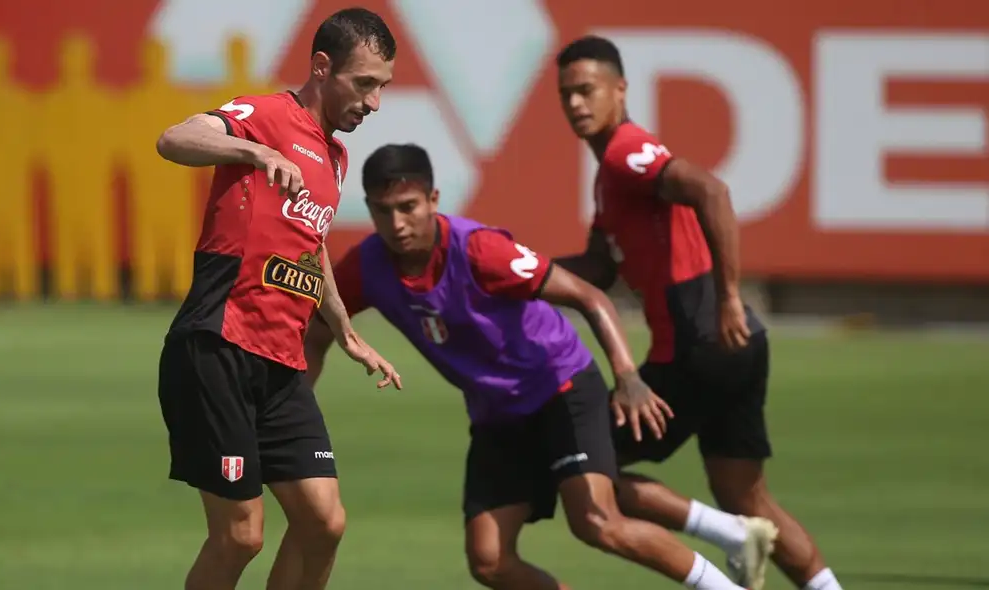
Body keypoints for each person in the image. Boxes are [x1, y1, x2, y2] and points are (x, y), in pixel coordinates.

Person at [304, 143, 774, 590]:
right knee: (489, 560)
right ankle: (730, 533)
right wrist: (299, 401)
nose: (397, 223)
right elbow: (321, 324)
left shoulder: (480, 250)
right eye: (382, 211)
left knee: (597, 521)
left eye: (408, 206)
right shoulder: (366, 265)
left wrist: (627, 376)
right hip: (498, 415)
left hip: (561, 387)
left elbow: (589, 297)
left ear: (433, 199)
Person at [552, 35, 844, 590]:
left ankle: (726, 545)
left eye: (587, 90)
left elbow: (711, 190)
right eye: (566, 94)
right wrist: (518, 270)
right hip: (738, 345)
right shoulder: (608, 179)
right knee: (748, 497)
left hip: (697, 346)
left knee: (583, 463)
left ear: (620, 90)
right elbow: (596, 264)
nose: (575, 104)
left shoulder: (625, 150)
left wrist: (731, 296)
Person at [153, 8, 401, 590]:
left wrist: (344, 329)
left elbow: (307, 248)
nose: (374, 102)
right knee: (240, 536)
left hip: (282, 363)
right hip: (219, 347)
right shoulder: (265, 116)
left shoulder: (335, 158)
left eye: (382, 86)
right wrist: (255, 152)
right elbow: (173, 139)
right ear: (322, 66)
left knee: (323, 521)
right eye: (365, 83)